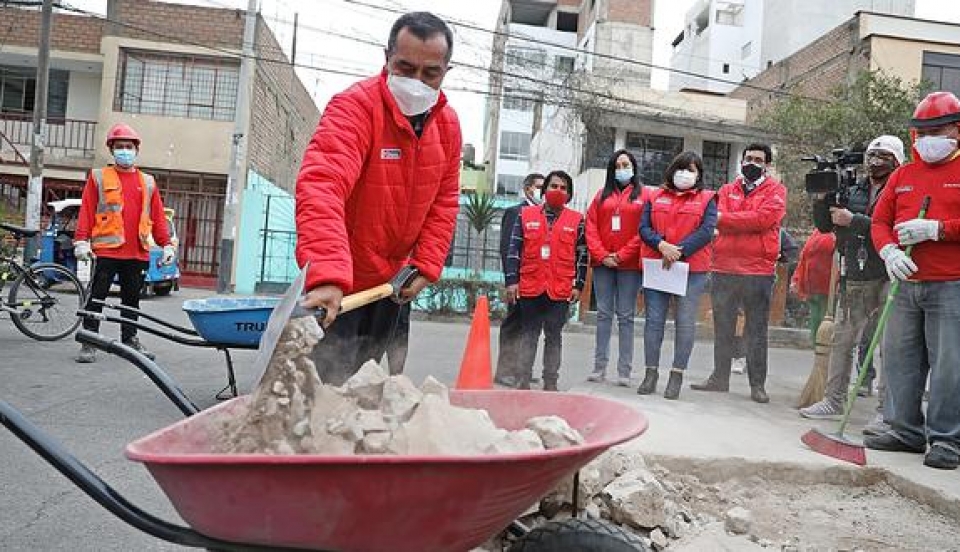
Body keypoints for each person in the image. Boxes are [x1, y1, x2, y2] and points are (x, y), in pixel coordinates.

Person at [295, 12, 461, 385]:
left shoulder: (447, 126)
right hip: (342, 285)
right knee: (322, 388)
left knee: (365, 386)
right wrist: (327, 274)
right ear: (386, 58)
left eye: (430, 73)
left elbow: (445, 201)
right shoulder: (354, 108)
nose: (416, 82)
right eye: (405, 67)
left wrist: (425, 264)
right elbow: (322, 186)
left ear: (446, 71)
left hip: (392, 286)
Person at [866, 91, 960, 470]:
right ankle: (904, 429)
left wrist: (937, 229)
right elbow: (879, 222)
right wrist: (888, 251)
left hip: (951, 283)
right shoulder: (903, 175)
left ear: (956, 129)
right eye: (921, 132)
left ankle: (946, 439)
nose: (927, 138)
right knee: (901, 360)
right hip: (905, 282)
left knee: (949, 364)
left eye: (936, 130)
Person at [799, 135, 903, 423]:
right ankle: (833, 400)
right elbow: (824, 225)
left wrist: (854, 220)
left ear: (896, 161)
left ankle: (885, 411)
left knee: (888, 345)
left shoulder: (901, 191)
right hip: (855, 274)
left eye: (883, 156)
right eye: (872, 155)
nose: (875, 161)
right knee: (843, 339)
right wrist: (823, 200)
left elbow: (893, 228)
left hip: (888, 272)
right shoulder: (853, 189)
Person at [691, 144, 786, 403]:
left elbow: (763, 220)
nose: (752, 163)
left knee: (756, 329)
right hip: (724, 266)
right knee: (722, 326)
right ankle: (719, 378)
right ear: (742, 160)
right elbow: (714, 219)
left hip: (758, 270)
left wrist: (727, 219)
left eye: (758, 159)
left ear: (767, 164)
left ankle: (757, 385)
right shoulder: (725, 190)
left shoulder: (777, 191)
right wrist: (731, 219)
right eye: (749, 158)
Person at [73, 123, 174, 363]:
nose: (125, 151)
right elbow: (87, 211)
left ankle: (130, 340)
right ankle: (89, 341)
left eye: (129, 147)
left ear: (136, 150)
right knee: (97, 296)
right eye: (120, 147)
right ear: (112, 149)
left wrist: (166, 244)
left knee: (132, 299)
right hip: (107, 250)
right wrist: (81, 241)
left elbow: (157, 216)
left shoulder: (148, 182)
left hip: (137, 251)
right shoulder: (98, 177)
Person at [637, 151, 717, 399]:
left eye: (691, 170)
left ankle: (676, 374)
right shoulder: (654, 195)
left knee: (684, 323)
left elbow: (706, 231)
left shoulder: (707, 198)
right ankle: (650, 373)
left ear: (699, 175)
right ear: (671, 171)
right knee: (654, 322)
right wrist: (661, 245)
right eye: (681, 168)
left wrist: (678, 252)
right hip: (658, 265)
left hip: (691, 269)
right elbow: (643, 228)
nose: (685, 174)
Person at [505, 170, 587, 391]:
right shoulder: (526, 215)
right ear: (544, 190)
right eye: (553, 186)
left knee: (554, 336)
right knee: (528, 333)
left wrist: (578, 285)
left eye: (563, 188)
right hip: (530, 286)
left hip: (559, 289)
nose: (558, 191)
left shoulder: (577, 220)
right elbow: (513, 250)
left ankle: (550, 381)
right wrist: (512, 281)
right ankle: (523, 380)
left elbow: (582, 255)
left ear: (569, 194)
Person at [585, 150, 647, 386]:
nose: (622, 169)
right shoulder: (601, 195)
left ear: (633, 168)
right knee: (603, 314)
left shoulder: (644, 196)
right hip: (603, 265)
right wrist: (602, 255)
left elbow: (644, 230)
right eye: (618, 165)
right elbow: (590, 226)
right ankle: (599, 368)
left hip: (629, 266)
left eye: (626, 164)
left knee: (626, 317)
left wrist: (621, 256)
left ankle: (624, 371)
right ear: (612, 170)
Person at [495, 173, 544, 387]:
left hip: (537, 280)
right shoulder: (515, 212)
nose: (544, 192)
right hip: (519, 279)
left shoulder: (543, 214)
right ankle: (504, 370)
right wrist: (510, 280)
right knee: (514, 324)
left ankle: (523, 369)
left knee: (530, 327)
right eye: (539, 187)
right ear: (527, 189)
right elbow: (507, 248)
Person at [789, 229, 837, 345]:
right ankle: (818, 346)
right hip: (813, 287)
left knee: (825, 317)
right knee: (816, 316)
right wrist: (796, 279)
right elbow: (804, 258)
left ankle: (823, 346)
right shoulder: (818, 233)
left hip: (829, 288)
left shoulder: (836, 234)